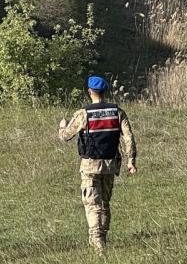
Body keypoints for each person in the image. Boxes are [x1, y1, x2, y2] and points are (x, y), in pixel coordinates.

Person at [58, 75, 138, 255]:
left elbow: (65, 137)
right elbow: (128, 137)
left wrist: (62, 126)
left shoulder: (83, 114)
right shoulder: (118, 112)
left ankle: (97, 242)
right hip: (110, 165)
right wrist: (131, 160)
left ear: (89, 92)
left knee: (92, 204)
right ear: (105, 91)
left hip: (89, 165)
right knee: (105, 203)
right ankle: (102, 238)